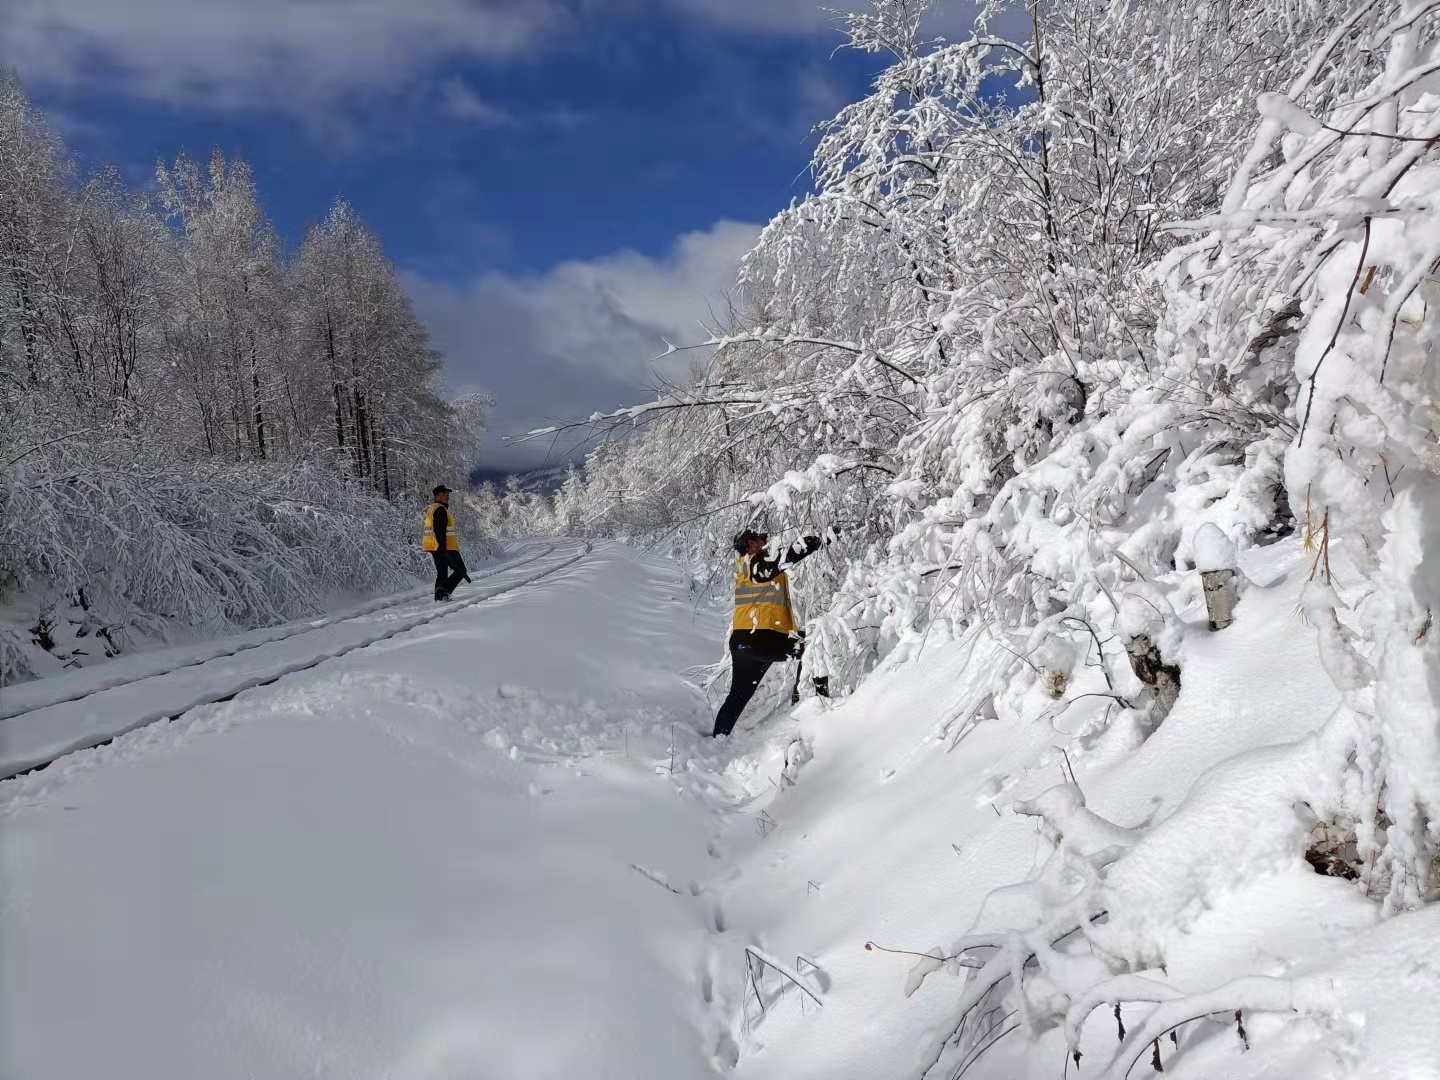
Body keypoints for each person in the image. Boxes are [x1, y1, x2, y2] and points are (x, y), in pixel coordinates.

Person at [711, 528, 831, 738]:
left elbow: (780, 564)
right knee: (812, 645)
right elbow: (785, 558)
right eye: (760, 540)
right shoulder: (754, 563)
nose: (765, 543)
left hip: (743, 642)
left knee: (738, 696)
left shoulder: (744, 566)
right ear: (749, 544)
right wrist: (818, 539)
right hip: (761, 638)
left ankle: (718, 738)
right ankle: (810, 703)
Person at [422, 485, 469, 601]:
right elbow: (439, 530)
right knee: (461, 570)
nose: (447, 497)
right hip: (445, 547)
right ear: (436, 496)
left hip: (435, 546)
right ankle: (443, 590)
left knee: (442, 573)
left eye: (447, 494)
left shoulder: (432, 508)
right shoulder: (440, 509)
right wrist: (443, 548)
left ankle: (440, 598)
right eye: (444, 494)